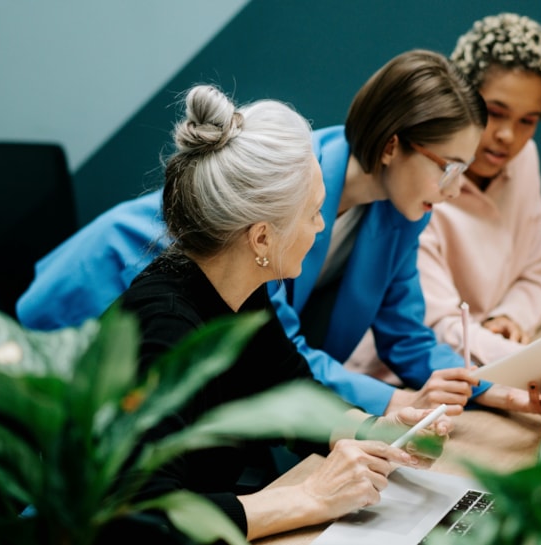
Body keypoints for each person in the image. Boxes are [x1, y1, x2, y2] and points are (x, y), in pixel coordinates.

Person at [18, 49, 541, 417]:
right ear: (393, 145)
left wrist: (500, 393)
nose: (454, 191)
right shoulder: (289, 202)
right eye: (448, 168)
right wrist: (395, 404)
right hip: (103, 289)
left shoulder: (403, 210)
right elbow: (289, 351)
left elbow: (408, 338)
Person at [119, 83, 451, 542]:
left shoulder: (243, 292)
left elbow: (292, 394)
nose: (321, 225)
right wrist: (310, 497)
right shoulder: (164, 328)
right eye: (314, 212)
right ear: (261, 239)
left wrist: (379, 430)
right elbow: (138, 519)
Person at [346, 13, 541, 398]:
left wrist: (509, 317)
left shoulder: (524, 161)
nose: (508, 137)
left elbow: (535, 269)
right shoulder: (417, 186)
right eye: (495, 113)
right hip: (402, 380)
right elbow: (433, 329)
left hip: (481, 366)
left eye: (528, 121)